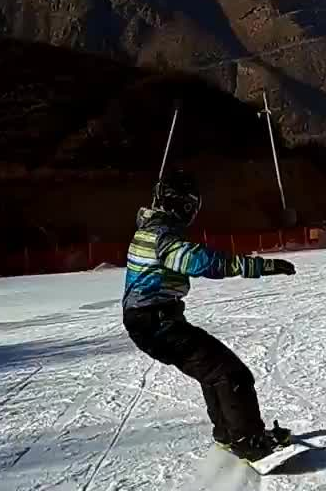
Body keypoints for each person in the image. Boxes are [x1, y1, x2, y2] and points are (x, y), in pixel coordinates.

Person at [122, 170, 295, 461]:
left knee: (213, 372)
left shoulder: (151, 228)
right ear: (181, 205)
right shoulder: (162, 236)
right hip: (156, 323)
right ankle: (248, 441)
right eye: (191, 207)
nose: (192, 214)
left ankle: (229, 433)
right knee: (232, 374)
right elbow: (201, 262)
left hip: (152, 321)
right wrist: (261, 266)